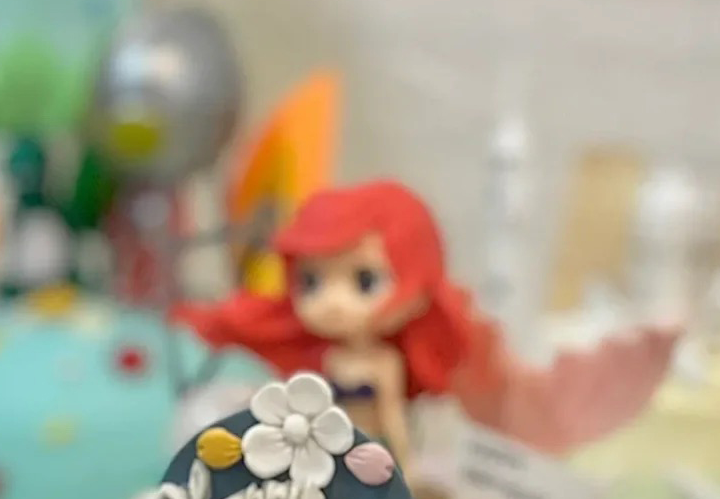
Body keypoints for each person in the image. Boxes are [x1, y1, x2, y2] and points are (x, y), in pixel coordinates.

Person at [177, 181, 493, 475]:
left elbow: (393, 418)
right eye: (311, 282)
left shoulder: (384, 363)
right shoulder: (325, 360)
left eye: (365, 281)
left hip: (373, 455)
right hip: (325, 456)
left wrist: (406, 472)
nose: (333, 303)